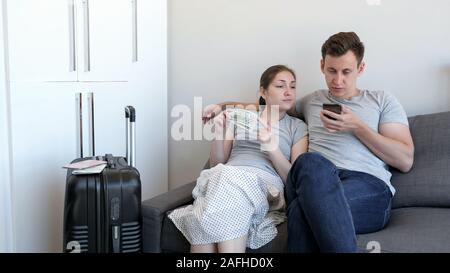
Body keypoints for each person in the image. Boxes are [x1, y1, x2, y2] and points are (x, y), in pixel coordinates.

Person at [286, 32, 414, 252]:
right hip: (317, 179)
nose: (338, 80)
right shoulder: (311, 101)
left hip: (368, 187)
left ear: (360, 69)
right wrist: (224, 106)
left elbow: (405, 160)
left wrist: (357, 126)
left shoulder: (381, 100)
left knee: (300, 211)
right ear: (322, 65)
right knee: (310, 161)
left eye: (346, 72)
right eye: (331, 71)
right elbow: (270, 107)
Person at [169, 65, 308, 253]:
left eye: (292, 86)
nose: (288, 92)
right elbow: (217, 163)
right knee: (223, 179)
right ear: (263, 92)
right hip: (226, 176)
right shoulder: (243, 117)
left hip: (264, 184)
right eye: (280, 86)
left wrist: (271, 145)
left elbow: (293, 179)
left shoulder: (297, 127)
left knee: (212, 202)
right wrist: (219, 133)